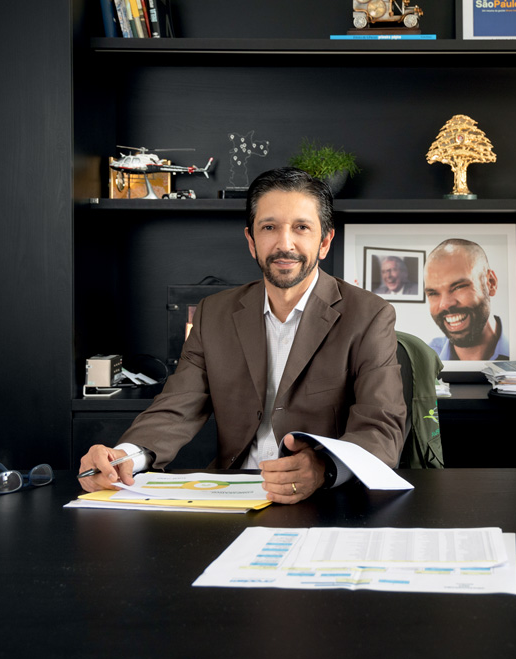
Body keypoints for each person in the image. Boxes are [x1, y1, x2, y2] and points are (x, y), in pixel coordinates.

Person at [78, 167, 406, 503]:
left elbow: (381, 428)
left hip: (326, 503)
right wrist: (123, 458)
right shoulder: (213, 314)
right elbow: (176, 407)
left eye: (301, 228)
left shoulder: (369, 316)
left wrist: (324, 467)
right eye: (269, 227)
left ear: (324, 242)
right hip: (232, 495)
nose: (284, 244)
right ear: (251, 241)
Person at [423, 238, 509, 361]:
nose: (445, 305)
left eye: (458, 287)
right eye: (433, 293)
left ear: (491, 283)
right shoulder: (421, 361)